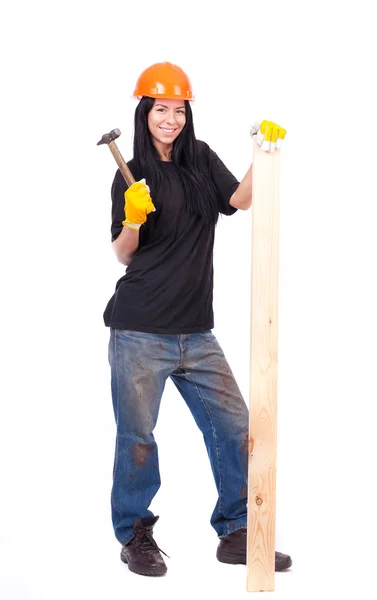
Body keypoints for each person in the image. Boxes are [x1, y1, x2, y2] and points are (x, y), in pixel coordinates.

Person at [103, 61, 291, 577]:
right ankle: (135, 535)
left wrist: (263, 151)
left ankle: (236, 532)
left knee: (236, 427)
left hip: (196, 333)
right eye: (160, 109)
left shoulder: (200, 159)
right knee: (137, 438)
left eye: (179, 109)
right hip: (139, 330)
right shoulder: (130, 173)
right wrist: (133, 218)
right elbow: (124, 254)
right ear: (144, 113)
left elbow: (240, 199)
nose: (170, 119)